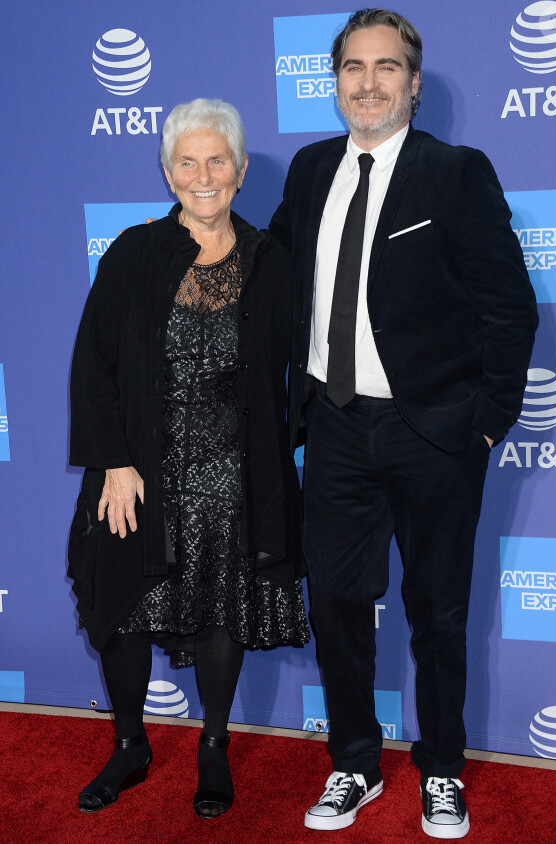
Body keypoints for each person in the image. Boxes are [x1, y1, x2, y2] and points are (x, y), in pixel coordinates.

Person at [269, 9, 538, 839]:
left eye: (387, 68)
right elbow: (271, 279)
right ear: (336, 80)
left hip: (433, 429)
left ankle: (444, 770)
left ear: (414, 84)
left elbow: (509, 308)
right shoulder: (312, 170)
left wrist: (486, 424)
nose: (369, 83)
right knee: (340, 605)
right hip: (336, 425)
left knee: (439, 612)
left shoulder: (456, 173)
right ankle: (354, 761)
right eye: (354, 67)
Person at [68, 98, 309, 819]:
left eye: (218, 161)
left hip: (235, 475)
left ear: (239, 170)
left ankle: (212, 745)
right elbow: (93, 364)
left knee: (219, 612)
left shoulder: (271, 261)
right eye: (188, 162)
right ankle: (131, 745)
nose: (204, 176)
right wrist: (113, 460)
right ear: (169, 171)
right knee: (126, 609)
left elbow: (301, 368)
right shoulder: (133, 254)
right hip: (139, 467)